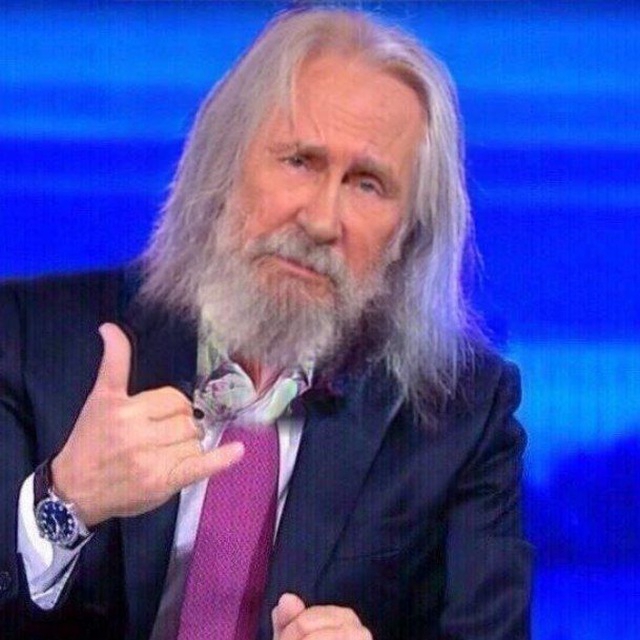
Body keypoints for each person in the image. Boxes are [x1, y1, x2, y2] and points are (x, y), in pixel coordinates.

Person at [0, 8, 532, 640]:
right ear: (223, 165)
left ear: (407, 235)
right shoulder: (29, 339)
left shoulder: (464, 414)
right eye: (300, 161)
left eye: (367, 184)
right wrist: (65, 502)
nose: (321, 221)